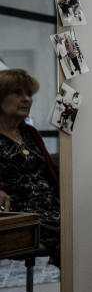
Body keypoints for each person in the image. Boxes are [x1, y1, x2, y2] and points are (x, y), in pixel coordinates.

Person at [0, 69, 61, 268]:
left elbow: (50, 171)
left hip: (52, 207)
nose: (27, 99)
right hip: (21, 216)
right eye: (17, 93)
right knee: (73, 235)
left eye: (29, 94)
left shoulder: (30, 132)